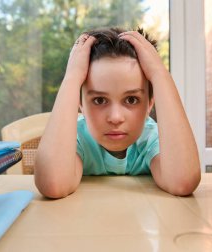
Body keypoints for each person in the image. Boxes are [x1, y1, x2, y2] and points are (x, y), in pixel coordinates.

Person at [34, 27, 201, 199]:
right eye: (99, 100)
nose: (115, 118)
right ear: (80, 104)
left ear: (150, 103)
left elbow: (183, 182)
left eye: (131, 100)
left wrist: (159, 73)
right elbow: (53, 185)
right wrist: (72, 77)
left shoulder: (151, 138)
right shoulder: (77, 139)